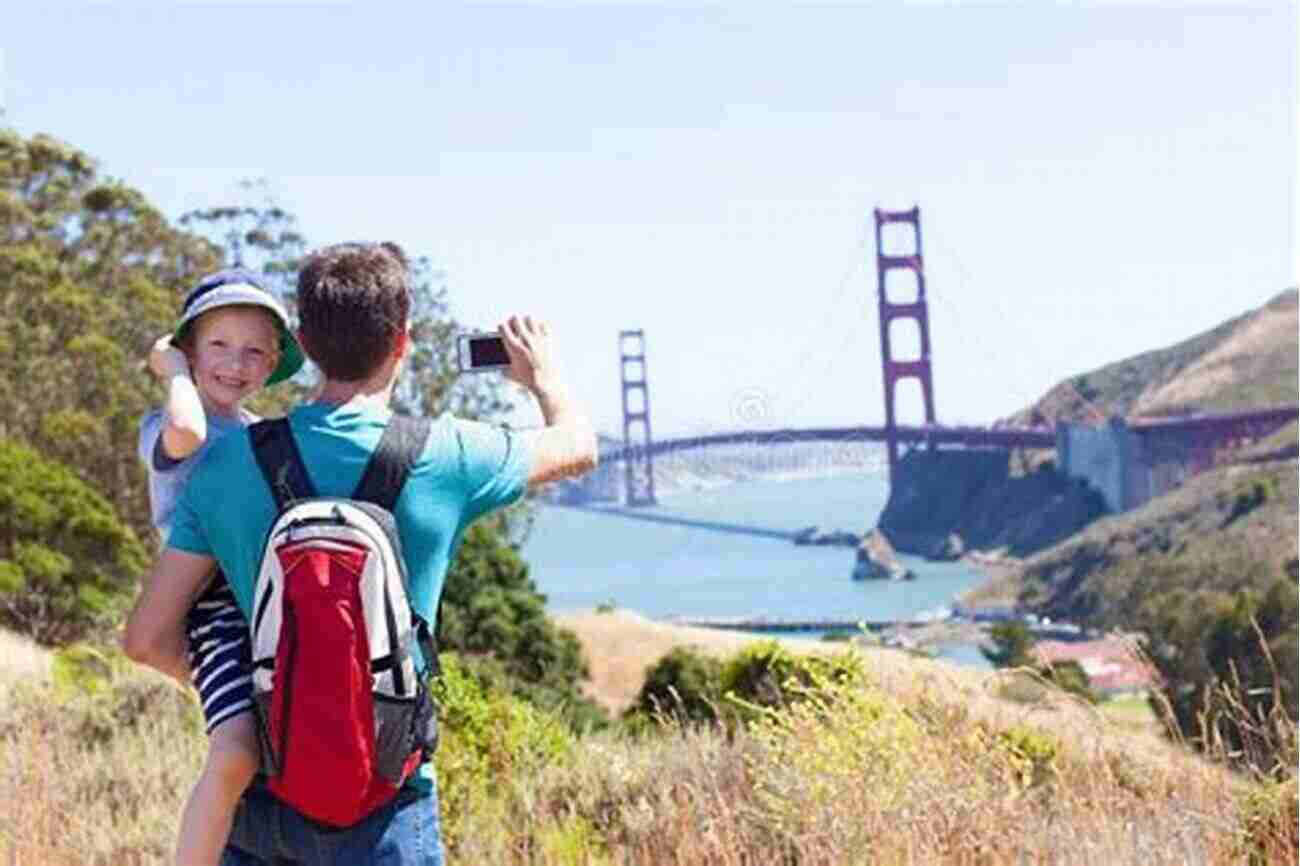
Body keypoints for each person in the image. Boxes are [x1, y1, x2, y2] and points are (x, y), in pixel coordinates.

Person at [124, 241, 597, 865]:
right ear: (401, 341)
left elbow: (146, 638)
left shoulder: (224, 464)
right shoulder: (446, 455)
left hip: (263, 797)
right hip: (388, 802)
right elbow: (578, 445)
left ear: (304, 344)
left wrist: (254, 692)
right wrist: (545, 376)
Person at [135, 269, 306, 866]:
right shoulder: (165, 426)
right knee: (233, 752)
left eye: (254, 350)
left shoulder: (261, 433)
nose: (236, 364)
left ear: (272, 364)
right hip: (210, 604)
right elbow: (189, 429)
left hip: (261, 600)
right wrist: (174, 373)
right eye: (218, 346)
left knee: (276, 747)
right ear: (188, 351)